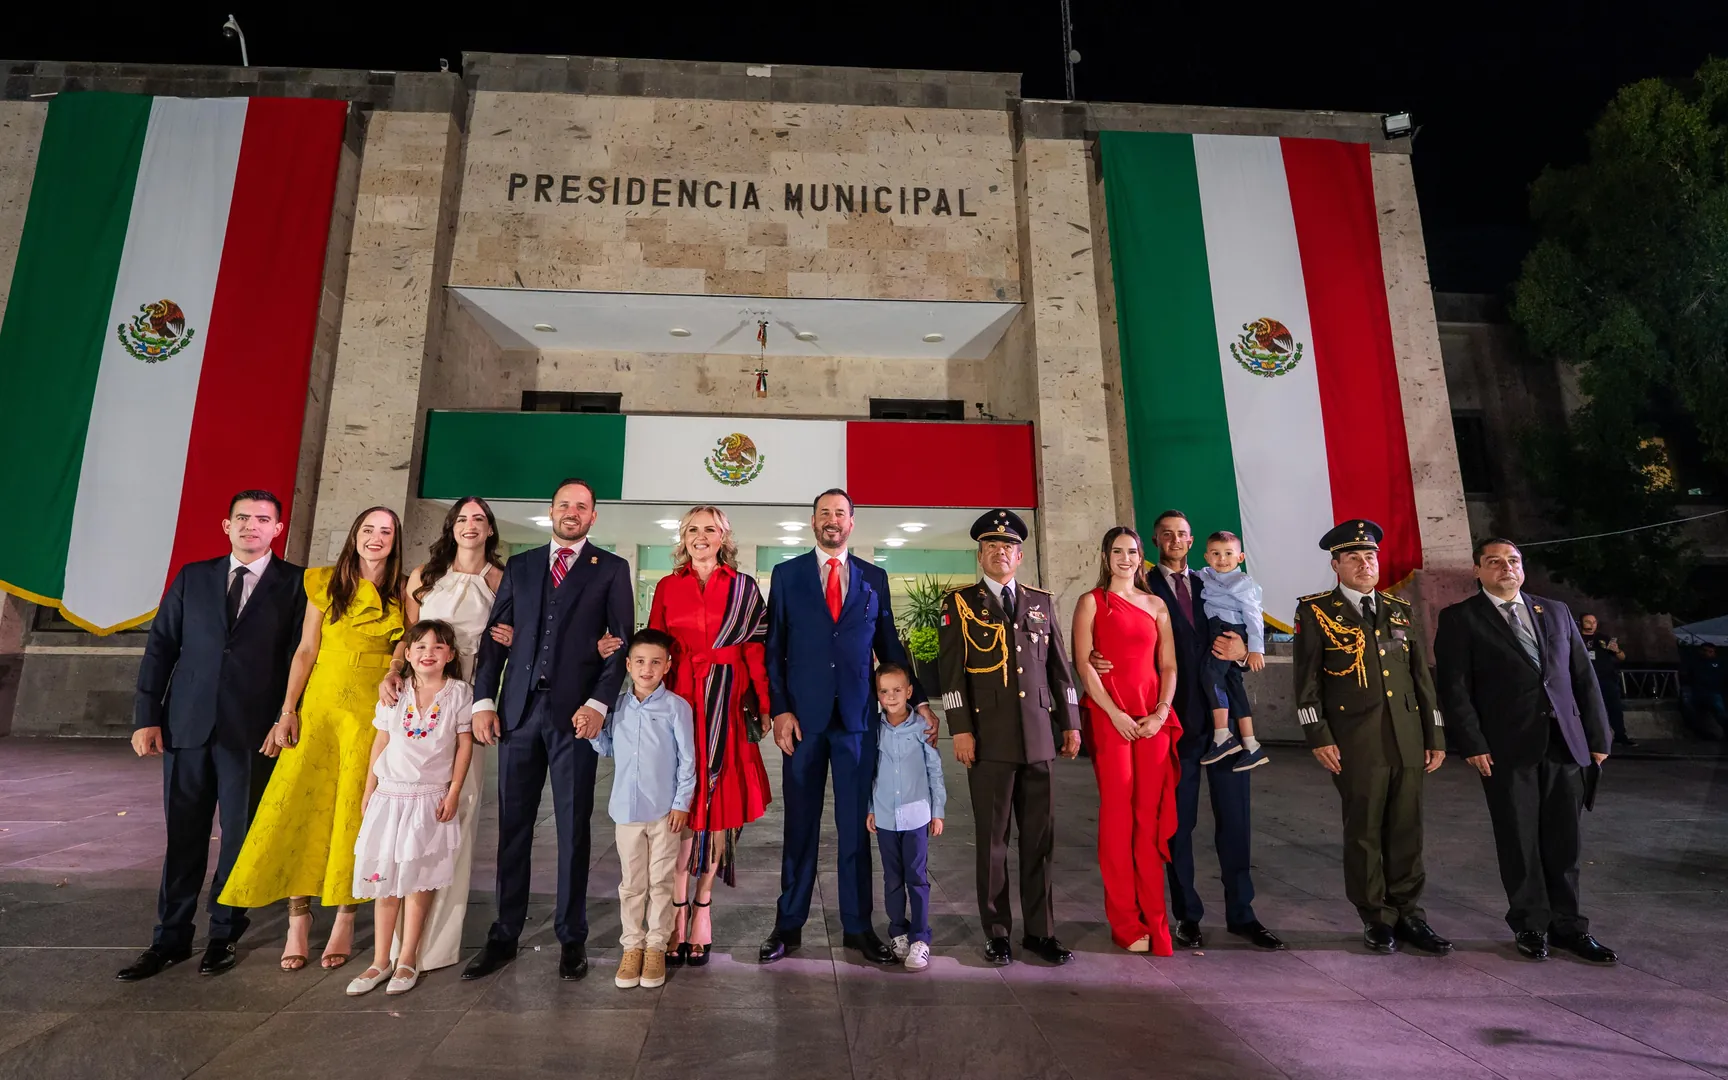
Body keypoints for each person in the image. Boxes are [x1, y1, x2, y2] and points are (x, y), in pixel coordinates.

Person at [118, 491, 308, 982]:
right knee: (184, 835)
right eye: (242, 518)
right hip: (186, 727)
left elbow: (299, 660)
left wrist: (285, 718)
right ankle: (170, 938)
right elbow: (161, 647)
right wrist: (146, 716)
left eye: (262, 519)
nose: (251, 526)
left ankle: (224, 933)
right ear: (226, 526)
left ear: (277, 530)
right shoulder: (193, 577)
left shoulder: (296, 585)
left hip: (252, 732)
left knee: (239, 839)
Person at [462, 478, 634, 983]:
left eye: (582, 507)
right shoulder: (522, 565)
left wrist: (599, 702)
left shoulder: (613, 569)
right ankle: (504, 933)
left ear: (593, 517)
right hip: (516, 714)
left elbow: (619, 642)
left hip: (574, 717)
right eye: (564, 505)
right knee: (512, 828)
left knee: (573, 830)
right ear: (550, 512)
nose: (571, 512)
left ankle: (571, 935)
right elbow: (496, 639)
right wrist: (483, 700)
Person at [219, 506, 406, 971]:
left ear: (395, 540)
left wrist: (398, 667)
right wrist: (287, 712)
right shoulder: (322, 582)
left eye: (385, 531)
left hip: (372, 711)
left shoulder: (404, 589)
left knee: (355, 812)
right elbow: (306, 649)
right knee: (300, 805)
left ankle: (344, 915)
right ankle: (297, 920)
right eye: (368, 529)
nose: (376, 538)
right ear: (354, 535)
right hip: (319, 708)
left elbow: (408, 640)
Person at [759, 488, 935, 966]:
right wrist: (779, 709)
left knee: (857, 829)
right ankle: (788, 926)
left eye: (840, 514)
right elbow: (773, 650)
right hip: (802, 722)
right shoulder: (788, 575)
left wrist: (917, 701)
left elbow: (891, 648)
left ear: (852, 523)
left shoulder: (873, 578)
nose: (832, 521)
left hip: (858, 723)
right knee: (799, 827)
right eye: (824, 514)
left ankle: (858, 926)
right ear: (812, 522)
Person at [1093, 510, 1283, 951]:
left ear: (1191, 540)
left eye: (1182, 533)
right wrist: (1101, 659)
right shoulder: (1142, 588)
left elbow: (1243, 619)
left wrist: (1242, 649)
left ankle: (1243, 914)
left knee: (1236, 823)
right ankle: (1187, 915)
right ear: (1155, 542)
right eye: (1166, 535)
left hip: (1225, 725)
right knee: (1177, 826)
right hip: (1172, 724)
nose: (1175, 539)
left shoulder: (1212, 579)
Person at [1434, 539, 1617, 963]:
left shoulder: (1554, 611)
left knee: (1564, 841)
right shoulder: (1461, 619)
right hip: (1505, 747)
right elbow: (1455, 689)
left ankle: (1570, 926)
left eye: (1512, 561)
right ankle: (1531, 925)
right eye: (1494, 562)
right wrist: (1472, 743)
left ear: (1523, 567)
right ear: (1477, 571)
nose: (1506, 568)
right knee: (1519, 840)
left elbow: (1582, 676)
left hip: (1564, 745)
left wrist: (1598, 737)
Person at [1293, 519, 1450, 955]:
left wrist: (1435, 733)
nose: (1366, 564)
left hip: (1407, 736)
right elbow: (1306, 682)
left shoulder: (1399, 609)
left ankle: (1410, 915)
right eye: (1354, 558)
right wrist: (1318, 735)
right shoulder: (1316, 611)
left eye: (1371, 556)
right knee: (1363, 829)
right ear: (1336, 564)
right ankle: (1376, 917)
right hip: (1355, 739)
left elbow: (1421, 679)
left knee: (1407, 828)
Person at [938, 508, 1081, 966]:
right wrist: (961, 731)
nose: (1000, 553)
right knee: (993, 842)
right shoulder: (960, 603)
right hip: (990, 741)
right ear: (980, 555)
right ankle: (997, 932)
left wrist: (1072, 722)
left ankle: (1041, 932)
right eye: (991, 547)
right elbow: (952, 677)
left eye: (1008, 547)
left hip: (1039, 739)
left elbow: (1060, 668)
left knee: (1040, 841)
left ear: (1019, 555)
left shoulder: (1041, 602)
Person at [376, 496, 509, 973]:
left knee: (454, 809)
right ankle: (389, 949)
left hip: (469, 691)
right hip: (417, 691)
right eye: (462, 519)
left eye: (479, 519)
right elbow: (409, 635)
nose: (469, 526)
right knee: (402, 807)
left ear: (490, 529)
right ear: (451, 527)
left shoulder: (500, 578)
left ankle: (430, 947)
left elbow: (512, 635)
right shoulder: (422, 577)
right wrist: (394, 671)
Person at [640, 506, 772, 967]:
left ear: (724, 538)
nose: (701, 536)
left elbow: (756, 647)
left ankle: (702, 908)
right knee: (681, 803)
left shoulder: (743, 588)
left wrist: (764, 701)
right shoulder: (666, 586)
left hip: (727, 703)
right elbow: (654, 648)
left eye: (710, 529)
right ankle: (676, 909)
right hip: (678, 702)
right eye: (693, 529)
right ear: (683, 537)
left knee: (717, 808)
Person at [346, 620, 475, 997]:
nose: (428, 653)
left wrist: (453, 792)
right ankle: (379, 960)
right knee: (385, 881)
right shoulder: (394, 692)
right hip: (390, 796)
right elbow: (380, 740)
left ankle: (407, 959)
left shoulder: (459, 694)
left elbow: (464, 744)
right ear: (407, 654)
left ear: (450, 655)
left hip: (429, 799)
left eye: (437, 647)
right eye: (419, 647)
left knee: (418, 881)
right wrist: (369, 790)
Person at [1071, 526, 1182, 955]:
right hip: (1109, 716)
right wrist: (1114, 713)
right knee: (1117, 817)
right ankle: (1124, 922)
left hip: (1154, 719)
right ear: (1105, 556)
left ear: (1141, 557)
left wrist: (1159, 714)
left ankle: (1156, 921)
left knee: (1147, 818)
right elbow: (1084, 664)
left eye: (1131, 551)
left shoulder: (1157, 605)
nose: (1125, 558)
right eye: (1116, 551)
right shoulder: (1091, 602)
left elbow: (1169, 666)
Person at [591, 628, 696, 990]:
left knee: (661, 880)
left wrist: (681, 803)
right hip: (626, 811)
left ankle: (656, 946)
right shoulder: (616, 707)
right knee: (632, 883)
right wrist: (589, 731)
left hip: (664, 812)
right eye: (639, 662)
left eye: (655, 662)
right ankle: (631, 945)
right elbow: (606, 748)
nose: (646, 669)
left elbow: (688, 761)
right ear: (627, 665)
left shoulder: (676, 708)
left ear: (667, 666)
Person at [866, 662, 946, 972]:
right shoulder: (875, 729)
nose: (891, 696)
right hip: (886, 817)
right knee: (892, 878)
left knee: (917, 877)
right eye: (884, 691)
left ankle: (921, 938)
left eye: (897, 690)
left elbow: (934, 771)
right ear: (878, 694)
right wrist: (870, 809)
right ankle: (897, 932)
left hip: (916, 817)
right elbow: (871, 774)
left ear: (909, 691)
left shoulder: (921, 727)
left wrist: (937, 811)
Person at [1193, 530, 1269, 771]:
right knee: (1233, 684)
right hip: (1217, 626)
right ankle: (1251, 744)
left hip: (1230, 629)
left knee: (1210, 674)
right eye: (1215, 554)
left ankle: (1223, 734)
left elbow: (1254, 616)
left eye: (1228, 554)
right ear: (1206, 556)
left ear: (1240, 557)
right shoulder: (1206, 575)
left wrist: (1255, 649)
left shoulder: (1243, 583)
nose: (1222, 559)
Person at [1578, 614, 1633, 747]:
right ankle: (1585, 738)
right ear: (1581, 623)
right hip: (1584, 679)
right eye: (1588, 622)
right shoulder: (1576, 637)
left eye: (1594, 622)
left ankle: (1620, 735)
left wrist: (1617, 650)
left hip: (1606, 679)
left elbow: (1622, 657)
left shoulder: (1603, 639)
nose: (1592, 624)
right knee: (1586, 708)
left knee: (1614, 707)